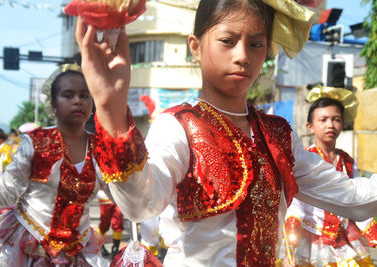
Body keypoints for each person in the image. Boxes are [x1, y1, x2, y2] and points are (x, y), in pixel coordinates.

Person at [75, 0, 377, 266]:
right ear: (195, 46)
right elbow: (140, 205)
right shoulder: (179, 125)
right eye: (228, 41)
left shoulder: (278, 135)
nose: (242, 55)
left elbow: (353, 199)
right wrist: (112, 113)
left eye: (256, 44)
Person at [0, 64, 113, 266]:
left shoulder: (102, 148)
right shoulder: (33, 142)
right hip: (28, 244)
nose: (77, 100)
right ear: (53, 104)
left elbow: (123, 196)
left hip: (79, 248)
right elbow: (7, 192)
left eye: (85, 95)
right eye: (68, 95)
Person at [279, 87, 377, 266]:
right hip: (311, 237)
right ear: (310, 126)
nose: (330, 125)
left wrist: (370, 229)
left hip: (343, 236)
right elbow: (296, 202)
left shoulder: (347, 160)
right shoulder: (305, 158)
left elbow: (357, 196)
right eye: (323, 120)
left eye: (336, 119)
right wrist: (291, 241)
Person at [96, 189, 124, 258]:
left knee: (118, 223)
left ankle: (115, 247)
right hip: (104, 197)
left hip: (118, 197)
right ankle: (100, 245)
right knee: (104, 224)